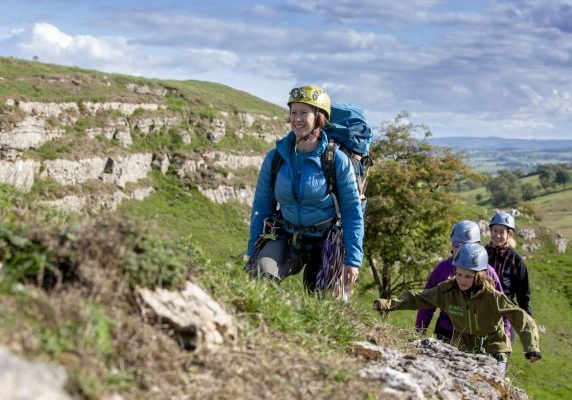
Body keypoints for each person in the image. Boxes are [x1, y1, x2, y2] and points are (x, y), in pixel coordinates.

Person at [245, 85, 363, 293]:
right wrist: (253, 249)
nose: (297, 119)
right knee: (261, 273)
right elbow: (261, 206)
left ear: (319, 118)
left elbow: (352, 212)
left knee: (321, 302)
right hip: (288, 238)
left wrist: (352, 259)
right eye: (293, 112)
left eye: (304, 113)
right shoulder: (276, 158)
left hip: (326, 245)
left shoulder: (337, 161)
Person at [374, 243, 541, 375]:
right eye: (459, 274)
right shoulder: (447, 291)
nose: (462, 280)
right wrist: (387, 304)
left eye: (468, 276)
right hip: (462, 345)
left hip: (494, 347)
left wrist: (531, 348)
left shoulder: (492, 296)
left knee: (493, 385)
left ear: (479, 275)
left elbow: (521, 318)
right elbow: (418, 298)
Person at [415, 220, 511, 342]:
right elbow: (426, 303)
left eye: (466, 245)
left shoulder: (487, 272)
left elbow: (503, 308)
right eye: (456, 244)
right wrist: (419, 332)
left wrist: (505, 339)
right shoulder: (442, 269)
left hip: (478, 338)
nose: (460, 249)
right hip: (446, 334)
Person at [485, 211, 532, 316]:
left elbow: (523, 295)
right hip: (483, 310)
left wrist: (528, 322)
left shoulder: (516, 261)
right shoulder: (483, 254)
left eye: (502, 232)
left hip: (505, 313)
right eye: (495, 231)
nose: (497, 235)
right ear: (490, 231)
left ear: (509, 234)